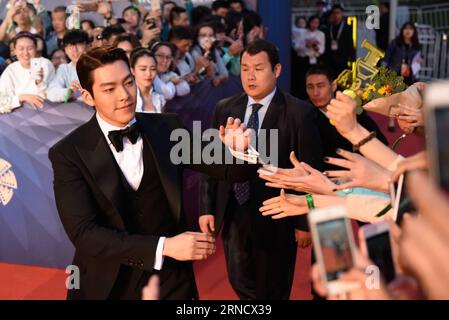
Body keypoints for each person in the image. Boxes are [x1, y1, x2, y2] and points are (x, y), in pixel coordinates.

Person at [48, 45, 254, 300]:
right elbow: (84, 234)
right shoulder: (69, 152)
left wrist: (242, 149)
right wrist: (165, 246)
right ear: (88, 97)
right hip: (106, 283)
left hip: (171, 280)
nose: (124, 95)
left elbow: (230, 170)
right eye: (109, 89)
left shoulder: (166, 128)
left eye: (128, 82)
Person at [199, 39, 324, 299]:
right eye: (245, 68)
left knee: (273, 288)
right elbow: (210, 163)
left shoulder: (299, 113)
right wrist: (207, 208)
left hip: (278, 215)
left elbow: (311, 171)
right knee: (239, 281)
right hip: (234, 211)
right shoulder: (225, 108)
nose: (250, 76)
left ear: (276, 70)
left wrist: (304, 222)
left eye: (258, 68)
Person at [304, 66, 387, 169]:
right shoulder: (303, 114)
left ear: (333, 86)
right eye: (310, 87)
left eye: (320, 86)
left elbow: (381, 144)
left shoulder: (352, 110)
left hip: (358, 175)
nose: (315, 93)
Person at [0, 32, 54, 110]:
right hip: (18, 116)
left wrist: (39, 83)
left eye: (30, 48)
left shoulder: (45, 64)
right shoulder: (11, 70)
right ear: (15, 51)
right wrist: (22, 97)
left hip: (45, 112)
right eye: (21, 49)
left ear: (36, 49)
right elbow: (2, 101)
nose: (26, 53)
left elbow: (51, 95)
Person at [47, 30, 89, 103]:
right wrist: (69, 91)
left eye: (78, 44)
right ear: (65, 50)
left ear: (88, 46)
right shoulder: (64, 69)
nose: (74, 50)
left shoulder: (97, 67)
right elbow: (51, 93)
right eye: (70, 46)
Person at [292, 15, 325, 99]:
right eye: (313, 22)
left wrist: (316, 47)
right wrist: (306, 45)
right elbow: (296, 47)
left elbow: (322, 50)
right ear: (309, 23)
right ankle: (302, 97)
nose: (314, 25)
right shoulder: (302, 33)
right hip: (303, 59)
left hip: (314, 60)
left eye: (317, 23)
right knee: (302, 80)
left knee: (313, 79)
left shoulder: (321, 34)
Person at [382, 22, 421, 86]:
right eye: (405, 28)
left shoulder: (416, 46)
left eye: (410, 29)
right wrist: (383, 72)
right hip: (394, 74)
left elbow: (418, 61)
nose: (408, 31)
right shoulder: (395, 43)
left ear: (414, 32)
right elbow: (386, 58)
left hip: (409, 76)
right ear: (402, 30)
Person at [191, 23, 229, 87]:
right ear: (197, 37)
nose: (207, 38)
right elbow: (210, 75)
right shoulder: (194, 52)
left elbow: (225, 73)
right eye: (203, 35)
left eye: (211, 35)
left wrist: (219, 79)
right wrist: (207, 51)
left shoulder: (214, 50)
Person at [324, 4, 355, 79]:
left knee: (342, 80)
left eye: (338, 13)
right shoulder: (328, 27)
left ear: (341, 14)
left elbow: (350, 43)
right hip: (330, 59)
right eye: (334, 13)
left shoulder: (346, 27)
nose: (336, 15)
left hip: (343, 58)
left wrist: (352, 58)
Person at [130, 48, 166, 113]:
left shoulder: (159, 99)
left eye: (153, 69)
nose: (148, 74)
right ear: (132, 70)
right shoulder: (127, 97)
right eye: (143, 69)